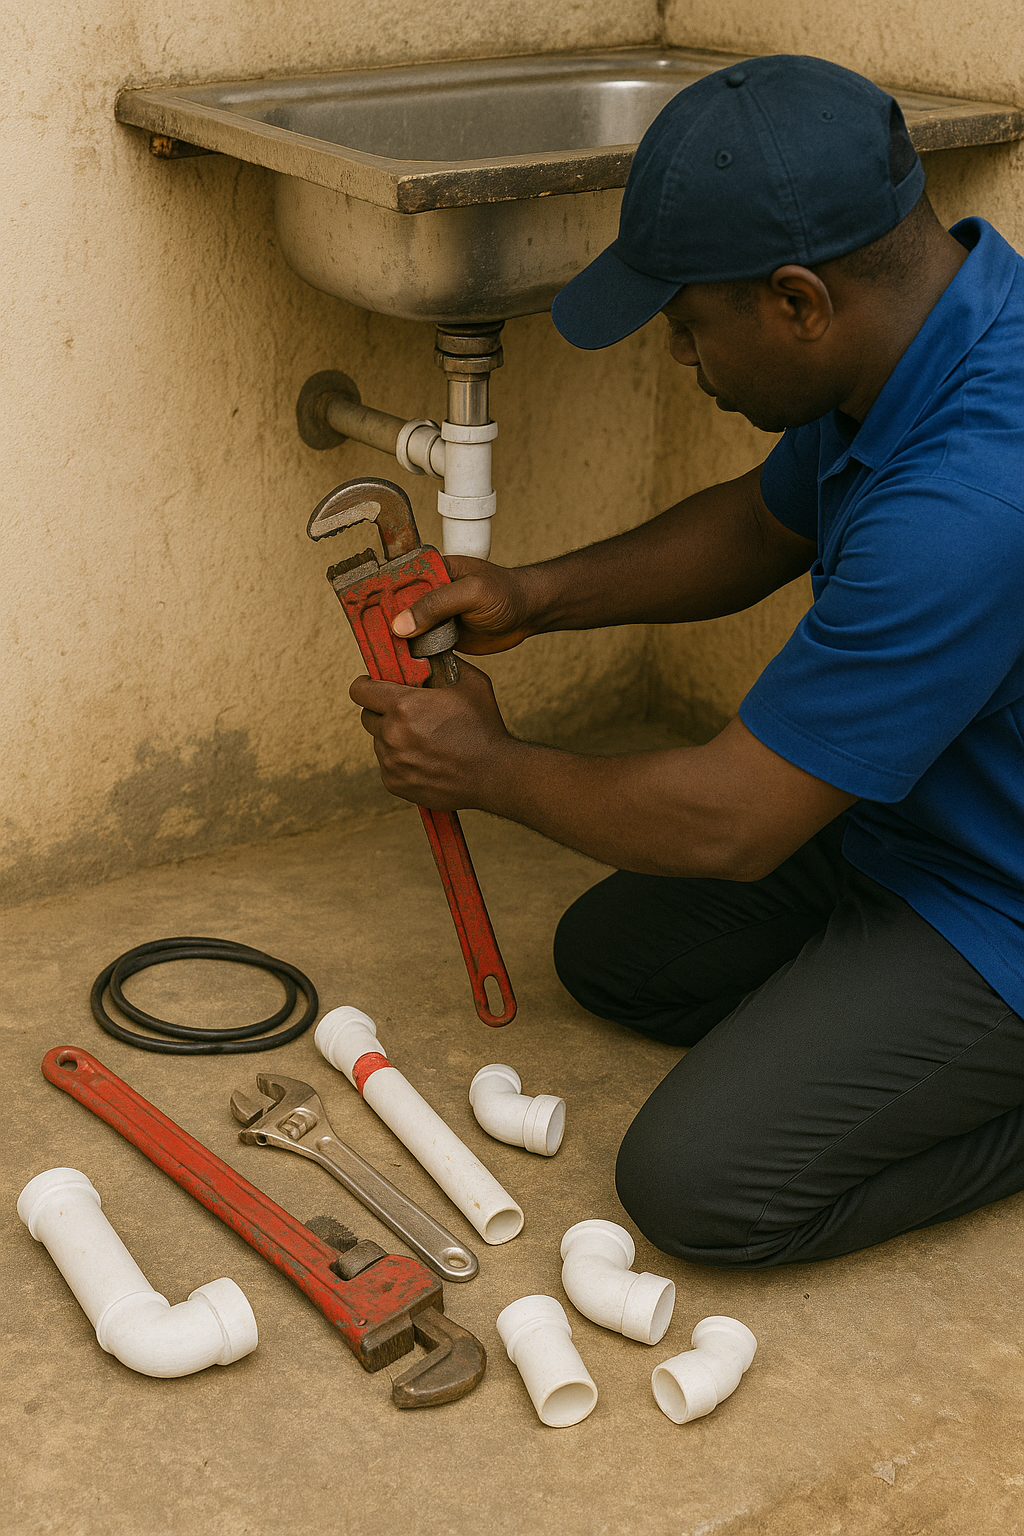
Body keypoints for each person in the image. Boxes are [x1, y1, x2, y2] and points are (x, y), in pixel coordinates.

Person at [350, 54, 1024, 1268]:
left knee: (699, 1185)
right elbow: (762, 525)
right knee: (618, 961)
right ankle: (876, 1009)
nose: (676, 355)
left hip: (1001, 896)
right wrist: (534, 596)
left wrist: (489, 769)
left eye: (685, 324)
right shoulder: (918, 333)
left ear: (796, 302)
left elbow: (731, 823)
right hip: (916, 818)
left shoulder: (968, 502)